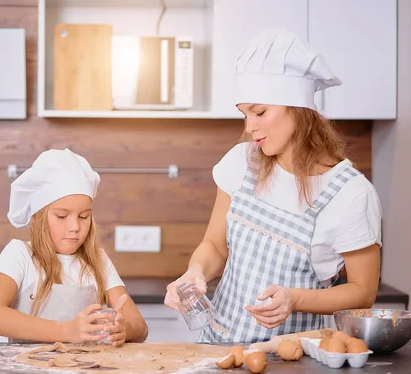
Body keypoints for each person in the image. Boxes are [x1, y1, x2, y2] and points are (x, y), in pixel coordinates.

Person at [164, 28, 382, 343]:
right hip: (218, 348)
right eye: (244, 114)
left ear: (297, 109)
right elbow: (215, 245)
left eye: (260, 112)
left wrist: (295, 299)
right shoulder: (241, 162)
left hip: (293, 356)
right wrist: (195, 271)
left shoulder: (350, 194)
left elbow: (363, 292)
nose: (249, 127)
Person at [0, 148, 148, 345]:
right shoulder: (20, 255)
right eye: (61, 216)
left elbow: (140, 326)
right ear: (36, 218)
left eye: (84, 216)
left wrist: (122, 329)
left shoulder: (98, 261)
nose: (75, 227)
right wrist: (66, 331)